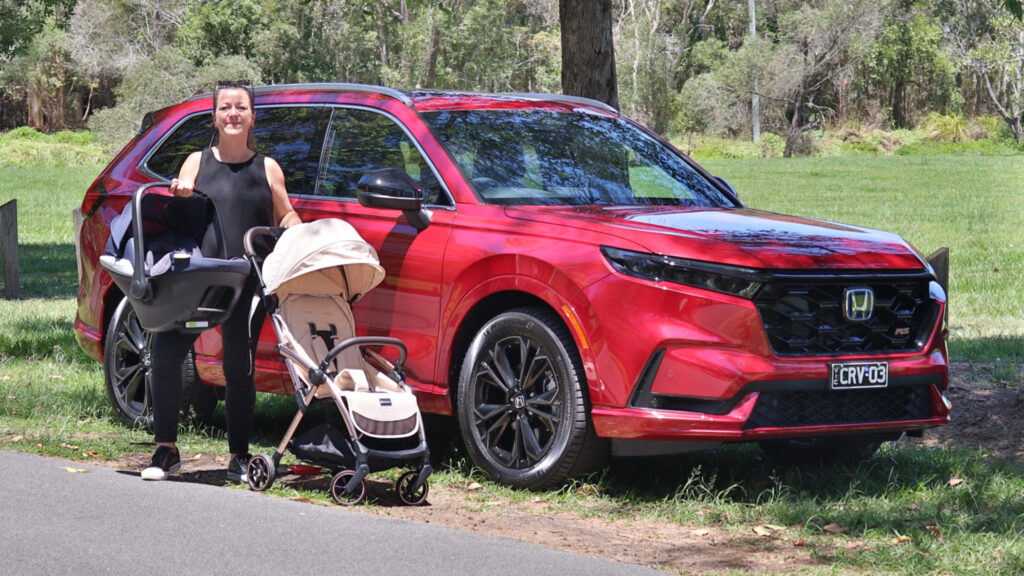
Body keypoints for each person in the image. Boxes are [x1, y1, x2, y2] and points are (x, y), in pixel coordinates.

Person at [142, 80, 301, 481]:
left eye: (241, 108)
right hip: (199, 279)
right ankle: (166, 451)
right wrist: (179, 193)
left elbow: (285, 214)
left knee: (238, 367)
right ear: (214, 117)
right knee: (166, 353)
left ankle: (239, 458)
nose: (233, 114)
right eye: (226, 107)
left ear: (252, 117)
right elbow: (179, 209)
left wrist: (298, 230)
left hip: (245, 280)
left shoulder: (266, 168)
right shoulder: (197, 161)